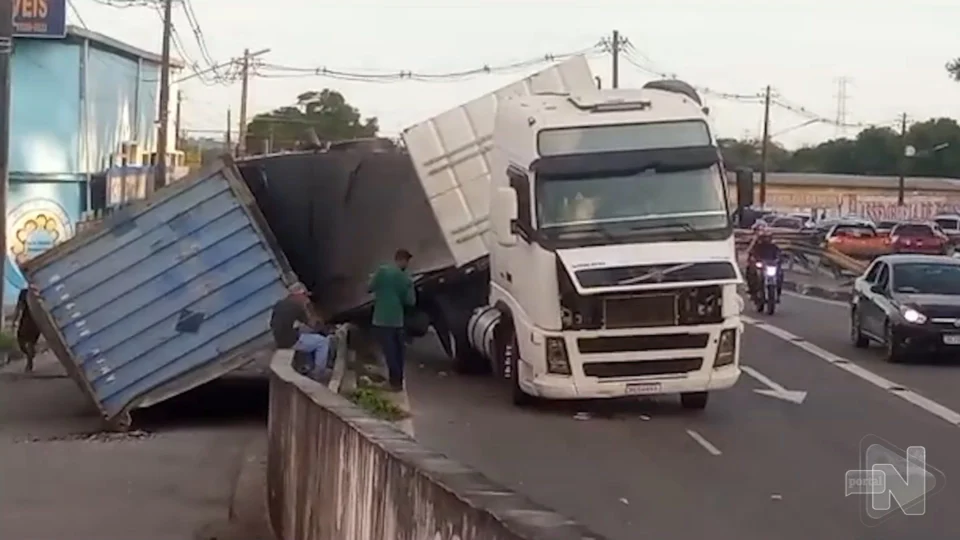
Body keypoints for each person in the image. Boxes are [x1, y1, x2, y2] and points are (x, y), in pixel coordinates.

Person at [369, 249, 415, 392]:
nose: (407, 264)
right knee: (398, 352)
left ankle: (393, 383)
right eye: (407, 261)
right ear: (402, 261)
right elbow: (410, 302)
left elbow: (369, 288)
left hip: (382, 320)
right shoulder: (406, 278)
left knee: (390, 352)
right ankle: (398, 382)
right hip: (397, 320)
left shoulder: (382, 271)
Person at [269, 282, 334, 380]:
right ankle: (319, 373)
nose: (305, 298)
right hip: (289, 341)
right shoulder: (297, 306)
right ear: (299, 295)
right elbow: (312, 325)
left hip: (279, 338)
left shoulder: (280, 304)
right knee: (322, 342)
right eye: (304, 295)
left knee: (308, 337)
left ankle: (307, 366)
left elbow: (274, 323)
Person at [745, 225, 784, 299]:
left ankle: (778, 292)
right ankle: (753, 290)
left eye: (768, 238)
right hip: (761, 266)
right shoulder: (757, 246)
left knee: (780, 274)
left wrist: (779, 260)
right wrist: (754, 259)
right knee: (751, 273)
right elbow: (752, 253)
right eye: (765, 237)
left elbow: (779, 254)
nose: (766, 239)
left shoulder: (774, 247)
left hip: (771, 265)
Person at [12, 285, 41, 373]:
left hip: (36, 320)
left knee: (30, 342)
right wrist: (15, 320)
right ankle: (30, 355)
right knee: (21, 340)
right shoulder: (24, 293)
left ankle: (29, 362)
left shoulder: (39, 293)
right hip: (26, 319)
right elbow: (19, 307)